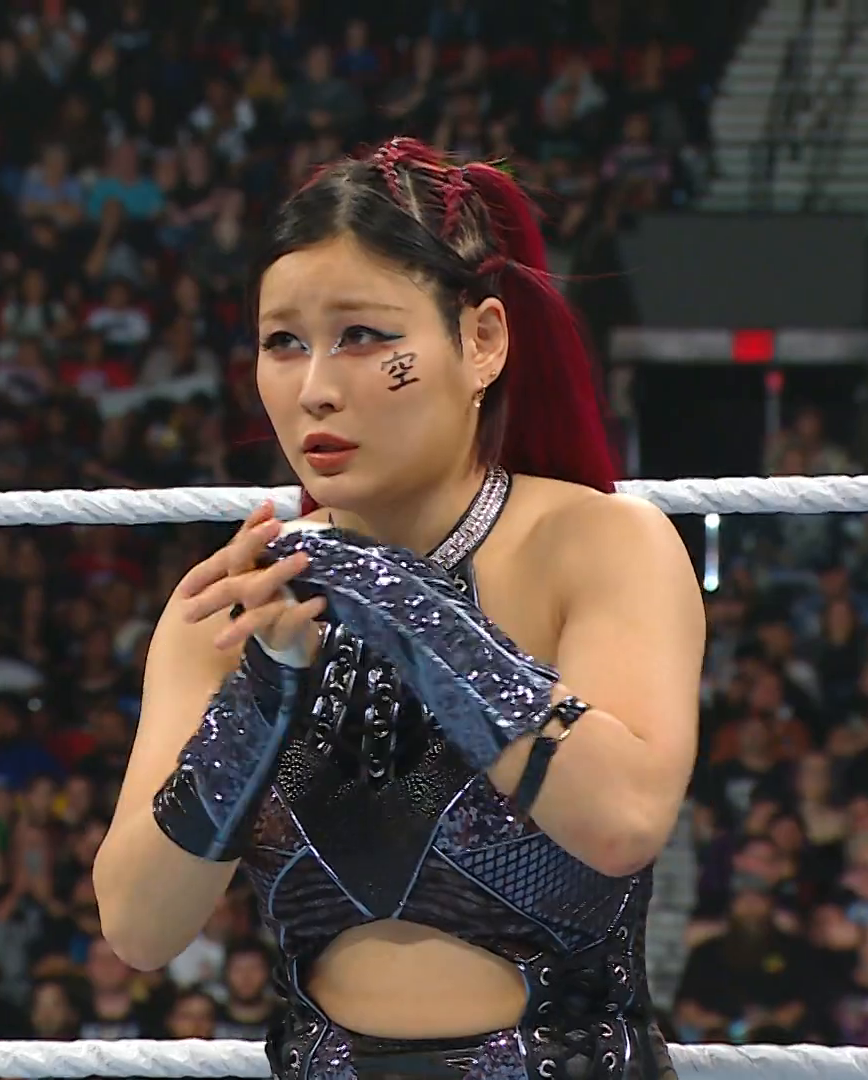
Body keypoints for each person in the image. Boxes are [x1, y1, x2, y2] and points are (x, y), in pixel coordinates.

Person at [96, 137, 703, 1080]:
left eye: (363, 336)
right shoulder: (236, 603)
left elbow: (622, 820)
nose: (315, 389)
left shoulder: (600, 545)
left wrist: (396, 598)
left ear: (483, 341)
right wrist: (262, 691)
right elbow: (139, 927)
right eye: (283, 343)